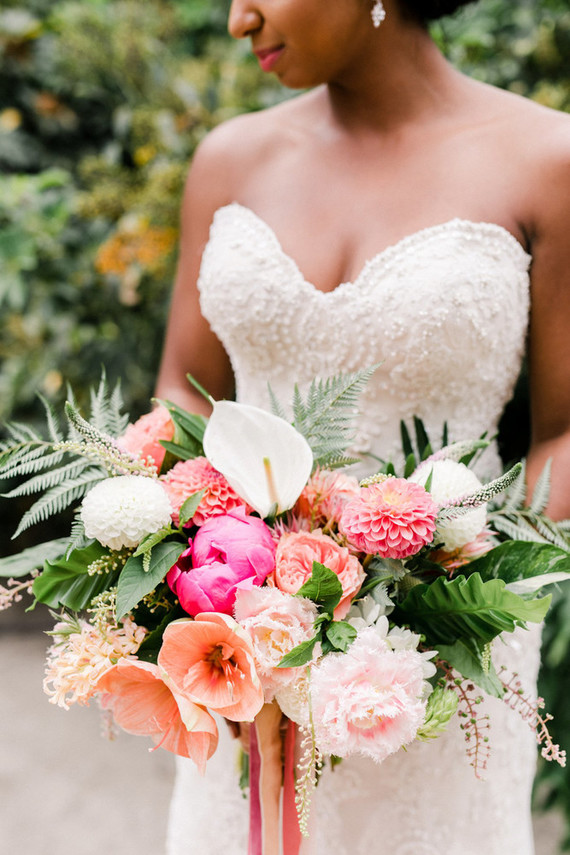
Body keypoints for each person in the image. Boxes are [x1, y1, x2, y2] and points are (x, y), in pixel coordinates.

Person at [155, 0, 570, 852]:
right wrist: (196, 574)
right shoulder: (229, 158)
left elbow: (566, 432)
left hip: (445, 661)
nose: (240, 19)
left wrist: (447, 586)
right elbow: (184, 393)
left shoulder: (549, 160)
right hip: (246, 652)